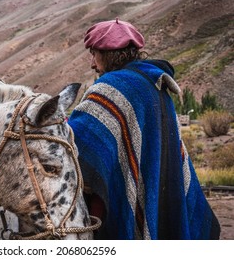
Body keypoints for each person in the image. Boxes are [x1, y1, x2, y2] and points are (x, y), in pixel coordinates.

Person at [67, 18, 220, 239]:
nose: (92, 63)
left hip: (119, 201)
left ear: (109, 53)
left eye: (94, 53)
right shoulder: (155, 83)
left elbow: (78, 143)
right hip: (163, 192)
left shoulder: (110, 88)